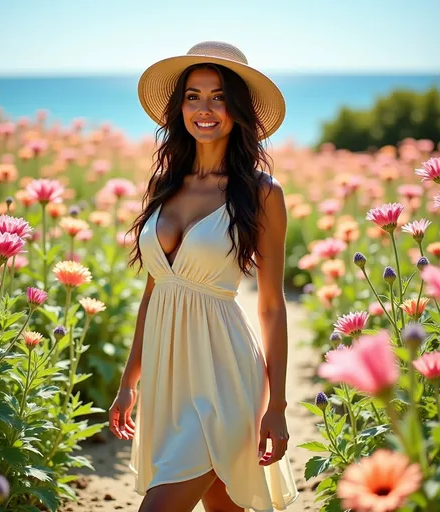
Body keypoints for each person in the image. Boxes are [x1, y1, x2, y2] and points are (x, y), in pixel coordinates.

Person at [109, 41, 298, 512]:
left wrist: (277, 405)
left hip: (225, 376)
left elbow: (272, 306)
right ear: (180, 108)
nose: (205, 109)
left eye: (218, 96)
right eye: (193, 96)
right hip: (168, 380)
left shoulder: (261, 193)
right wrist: (129, 381)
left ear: (238, 109)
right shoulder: (163, 186)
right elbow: (154, 293)